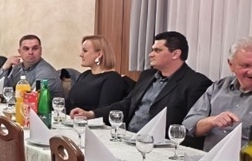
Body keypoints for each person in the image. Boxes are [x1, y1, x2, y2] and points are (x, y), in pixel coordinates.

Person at [72, 31, 211, 144]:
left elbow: (190, 127)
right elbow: (126, 105)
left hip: (160, 146)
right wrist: (92, 114)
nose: (151, 54)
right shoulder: (147, 75)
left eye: (157, 50)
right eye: (152, 50)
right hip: (128, 138)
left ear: (175, 54)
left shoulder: (196, 83)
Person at [182, 37, 252, 149]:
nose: (251, 72)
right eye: (245, 66)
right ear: (231, 65)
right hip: (210, 158)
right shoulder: (219, 87)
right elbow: (188, 125)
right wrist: (212, 121)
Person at [63, 35, 128, 113]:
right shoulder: (84, 75)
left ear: (99, 54)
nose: (81, 55)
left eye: (85, 51)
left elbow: (105, 112)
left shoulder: (112, 79)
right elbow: (68, 104)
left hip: (90, 120)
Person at [0, 34, 64, 99]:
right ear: (20, 52)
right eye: (26, 49)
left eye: (35, 48)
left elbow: (32, 98)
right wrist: (5, 68)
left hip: (46, 110)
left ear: (41, 51)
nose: (30, 52)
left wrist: (1, 99)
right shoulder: (18, 68)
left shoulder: (46, 72)